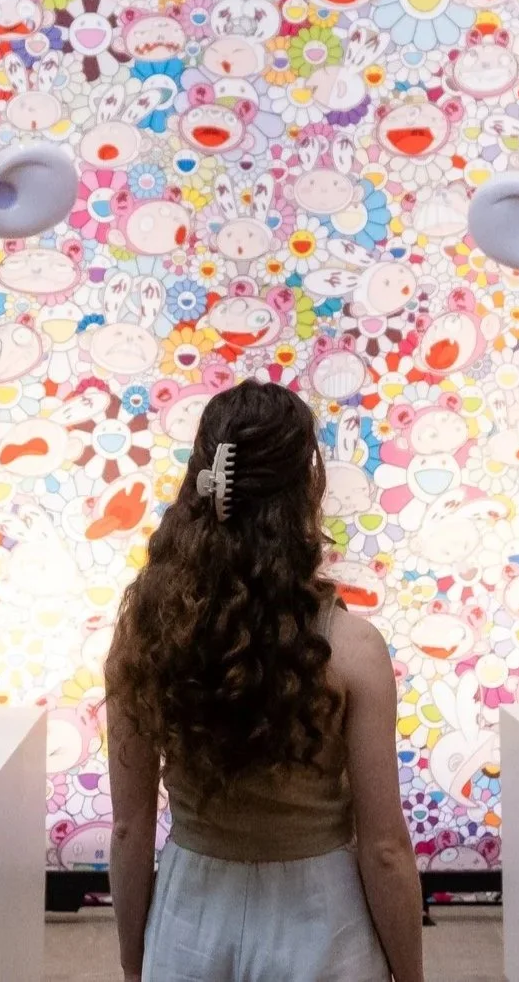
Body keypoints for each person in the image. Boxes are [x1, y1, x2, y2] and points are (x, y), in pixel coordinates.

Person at [105, 381, 426, 982]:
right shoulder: (353, 649)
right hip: (322, 918)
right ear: (308, 486)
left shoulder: (143, 636)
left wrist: (133, 965)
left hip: (189, 916)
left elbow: (128, 828)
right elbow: (385, 848)